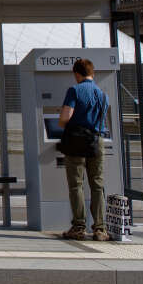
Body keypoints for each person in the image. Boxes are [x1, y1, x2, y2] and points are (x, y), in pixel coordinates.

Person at [58, 58, 110, 241]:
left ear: (77, 74)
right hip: (97, 141)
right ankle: (100, 229)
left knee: (76, 185)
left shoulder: (74, 90)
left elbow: (65, 117)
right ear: (92, 73)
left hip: (77, 141)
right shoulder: (103, 94)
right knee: (97, 185)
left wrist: (62, 122)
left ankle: (79, 227)